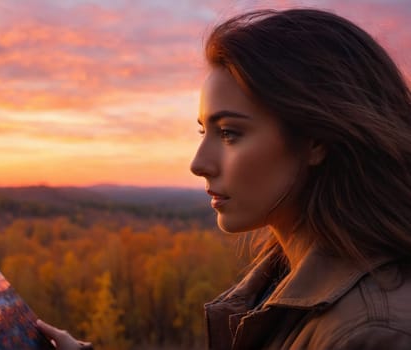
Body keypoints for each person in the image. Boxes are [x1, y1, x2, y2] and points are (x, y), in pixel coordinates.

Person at [37, 8, 411, 349]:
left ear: (317, 141)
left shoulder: (371, 333)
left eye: (230, 133)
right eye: (204, 132)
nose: (199, 164)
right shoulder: (283, 284)